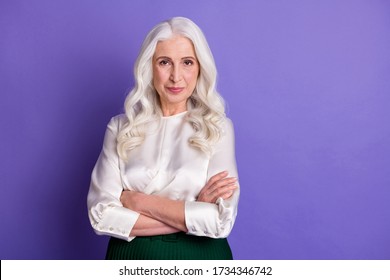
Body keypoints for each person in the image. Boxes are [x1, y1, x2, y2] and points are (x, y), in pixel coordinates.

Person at [87, 16, 240, 260]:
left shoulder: (218, 128)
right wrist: (193, 210)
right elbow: (101, 216)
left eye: (187, 62)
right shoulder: (120, 128)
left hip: (200, 259)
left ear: (200, 67)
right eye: (165, 62)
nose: (176, 76)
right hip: (131, 258)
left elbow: (221, 220)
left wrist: (137, 201)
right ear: (149, 67)